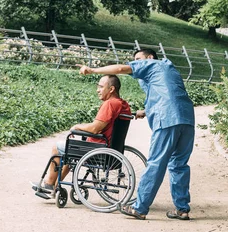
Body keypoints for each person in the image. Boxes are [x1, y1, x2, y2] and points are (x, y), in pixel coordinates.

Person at [78, 48, 195, 220]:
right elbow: (167, 94)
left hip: (167, 119)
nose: (136, 63)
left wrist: (93, 70)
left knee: (156, 163)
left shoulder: (152, 65)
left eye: (139, 59)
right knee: (179, 165)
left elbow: (120, 70)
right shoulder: (168, 69)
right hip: (186, 118)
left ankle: (139, 208)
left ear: (149, 57)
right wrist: (146, 110)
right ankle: (182, 208)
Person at [31, 74, 131, 197]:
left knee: (57, 148)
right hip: (109, 147)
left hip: (98, 148)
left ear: (111, 89)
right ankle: (53, 186)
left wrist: (77, 126)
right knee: (70, 150)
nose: (97, 90)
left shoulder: (110, 104)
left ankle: (50, 184)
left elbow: (95, 128)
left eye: (100, 87)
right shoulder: (123, 104)